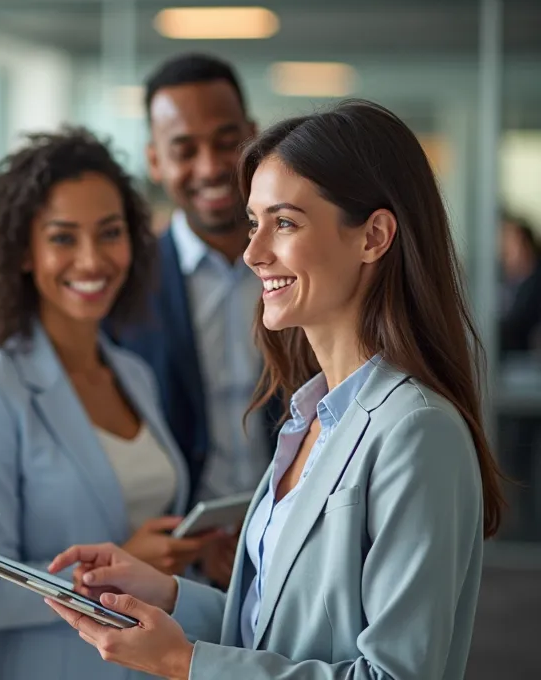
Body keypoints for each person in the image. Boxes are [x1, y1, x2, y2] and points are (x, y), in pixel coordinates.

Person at [45, 100, 505, 680]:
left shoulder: (417, 430)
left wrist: (183, 664)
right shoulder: (308, 418)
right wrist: (168, 596)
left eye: (284, 223)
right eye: (254, 222)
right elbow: (276, 626)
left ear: (374, 236)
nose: (252, 252)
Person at [0, 127, 205, 680]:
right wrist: (115, 569)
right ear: (23, 252)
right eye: (63, 238)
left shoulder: (133, 374)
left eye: (109, 233)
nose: (92, 260)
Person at [113, 53, 278, 588]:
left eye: (226, 141)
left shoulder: (303, 265)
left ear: (254, 138)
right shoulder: (125, 288)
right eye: (183, 150)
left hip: (298, 544)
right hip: (177, 567)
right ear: (155, 162)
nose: (209, 167)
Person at [498, 213, 541, 354]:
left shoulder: (535, 286)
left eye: (509, 241)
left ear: (525, 245)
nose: (503, 249)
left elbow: (516, 327)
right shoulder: (505, 282)